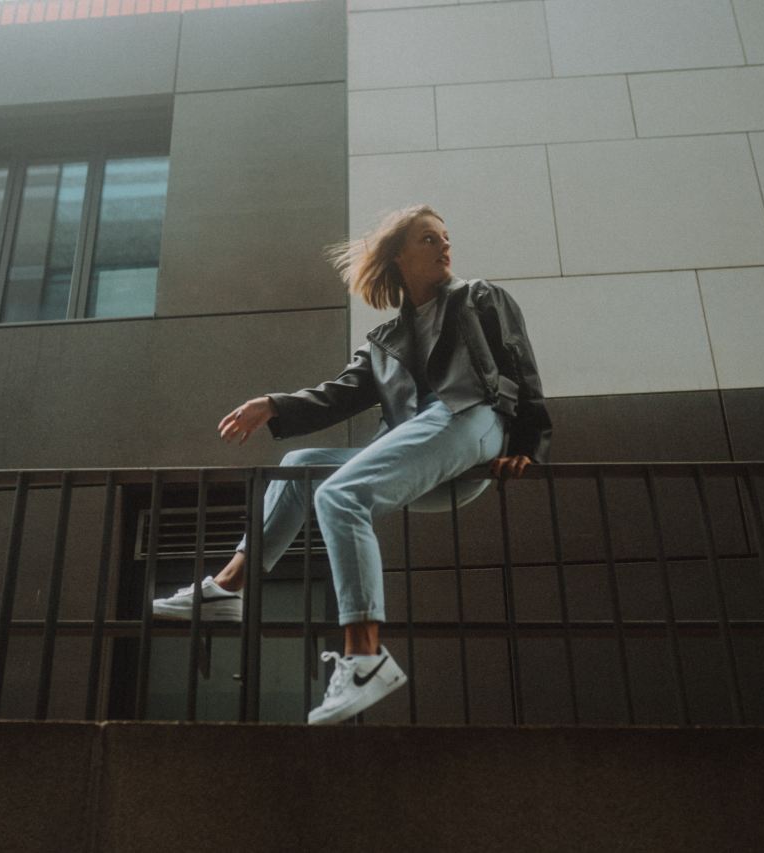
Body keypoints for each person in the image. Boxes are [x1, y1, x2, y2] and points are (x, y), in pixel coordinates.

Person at [152, 204, 551, 724]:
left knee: (340, 495)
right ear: (398, 257)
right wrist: (273, 403)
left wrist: (527, 443)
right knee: (300, 467)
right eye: (429, 239)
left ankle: (365, 658)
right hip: (417, 445)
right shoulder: (385, 340)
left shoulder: (479, 297)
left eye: (446, 237)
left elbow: (521, 364)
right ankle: (228, 589)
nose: (445, 246)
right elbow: (339, 396)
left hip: (470, 419)